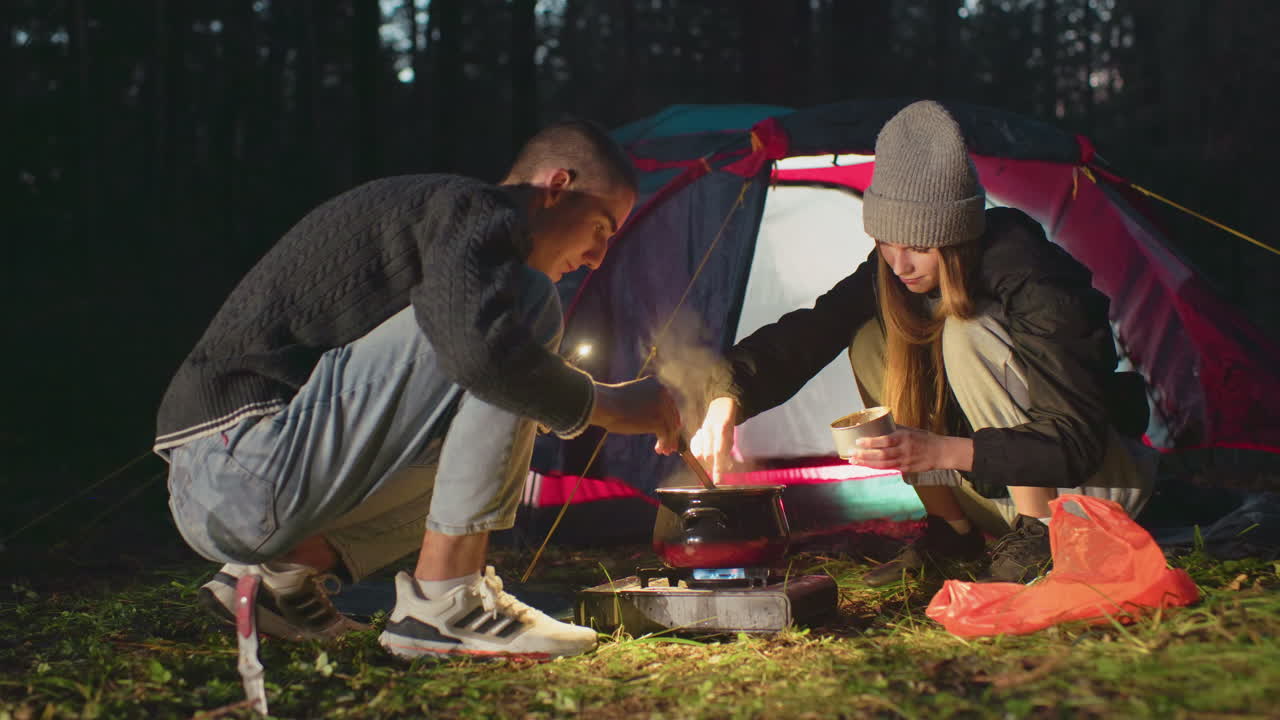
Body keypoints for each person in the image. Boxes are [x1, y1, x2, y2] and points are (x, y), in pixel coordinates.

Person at [155, 119, 681, 659]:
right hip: (238, 467)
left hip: (238, 487)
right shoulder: (475, 210)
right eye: (601, 228)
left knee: (493, 452)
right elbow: (479, 352)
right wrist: (608, 405)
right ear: (556, 186)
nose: (597, 257)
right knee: (526, 301)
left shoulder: (450, 228)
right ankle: (447, 602)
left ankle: (278, 577)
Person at [692, 101, 1155, 586]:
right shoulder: (892, 272)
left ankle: (1040, 536)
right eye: (887, 242)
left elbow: (1074, 443)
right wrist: (726, 398)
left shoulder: (1034, 279)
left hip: (1092, 494)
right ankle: (953, 533)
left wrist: (939, 452)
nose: (899, 263)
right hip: (996, 495)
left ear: (953, 237)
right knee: (872, 338)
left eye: (917, 246)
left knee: (965, 330)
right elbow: (808, 333)